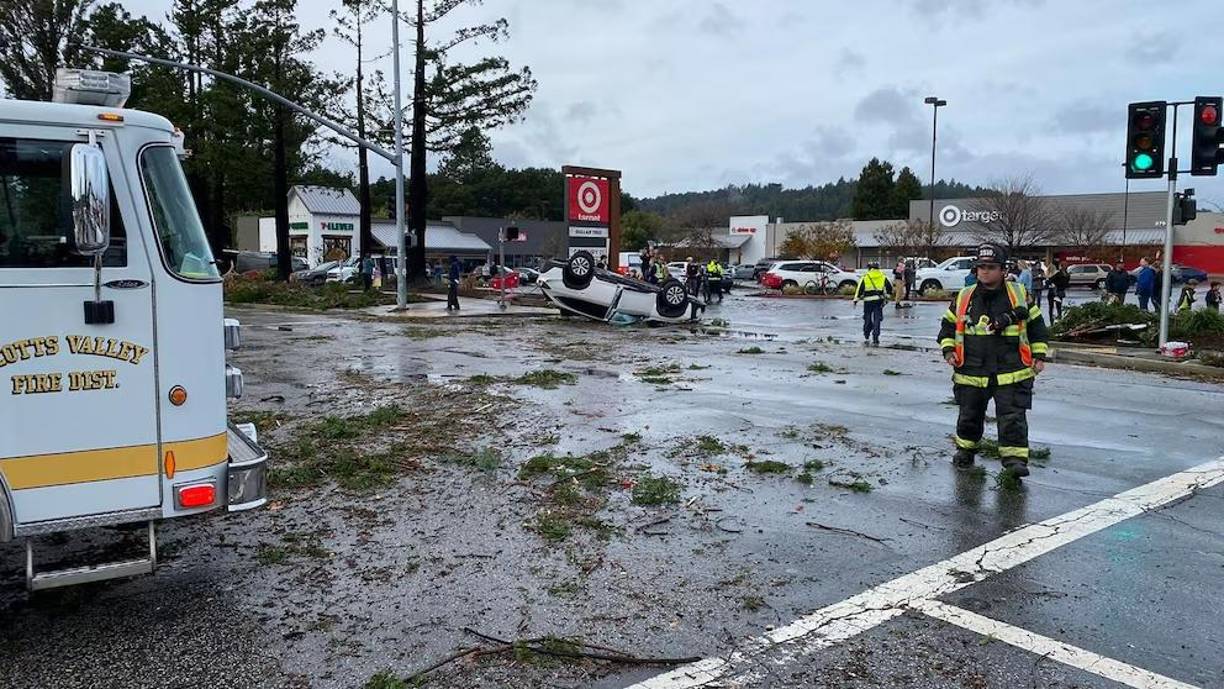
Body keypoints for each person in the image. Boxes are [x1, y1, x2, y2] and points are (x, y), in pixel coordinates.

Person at [938, 243, 1049, 480]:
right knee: (969, 415)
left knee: (1012, 417)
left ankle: (1014, 460)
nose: (985, 272)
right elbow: (947, 327)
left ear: (1002, 270)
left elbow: (1038, 327)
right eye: (981, 267)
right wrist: (948, 352)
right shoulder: (964, 297)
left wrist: (1039, 356)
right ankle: (966, 452)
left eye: (990, 267)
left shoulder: (1018, 296)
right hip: (971, 370)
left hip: (1011, 370)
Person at [853, 261, 891, 346]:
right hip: (878, 301)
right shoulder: (883, 276)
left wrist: (856, 299)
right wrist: (887, 297)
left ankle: (866, 333)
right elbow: (889, 287)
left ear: (870, 268)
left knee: (867, 317)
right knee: (877, 318)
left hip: (868, 301)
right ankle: (876, 336)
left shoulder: (866, 276)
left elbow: (860, 288)